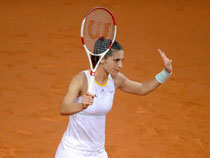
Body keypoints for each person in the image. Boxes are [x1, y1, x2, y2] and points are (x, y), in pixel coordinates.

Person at [55, 38, 172, 158]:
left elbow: (143, 88)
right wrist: (81, 105)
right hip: (73, 152)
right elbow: (64, 108)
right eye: (116, 60)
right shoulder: (81, 79)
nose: (120, 65)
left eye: (122, 60)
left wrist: (165, 73)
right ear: (102, 59)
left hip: (98, 153)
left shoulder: (116, 80)